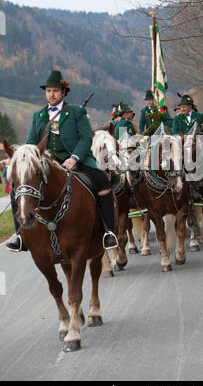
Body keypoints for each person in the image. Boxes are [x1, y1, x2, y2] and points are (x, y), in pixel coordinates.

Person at [5, 70, 118, 252]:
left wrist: (74, 157)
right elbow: (31, 143)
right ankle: (19, 235)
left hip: (76, 161)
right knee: (19, 187)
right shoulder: (38, 116)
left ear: (63, 92)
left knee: (102, 181)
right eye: (48, 91)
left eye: (55, 91)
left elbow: (85, 138)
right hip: (47, 164)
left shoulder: (76, 112)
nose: (51, 94)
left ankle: (108, 232)